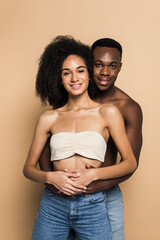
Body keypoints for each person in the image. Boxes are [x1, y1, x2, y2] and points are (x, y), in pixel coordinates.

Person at [23, 36, 137, 240]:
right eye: (67, 73)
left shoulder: (108, 112)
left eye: (80, 71)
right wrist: (50, 177)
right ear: (59, 77)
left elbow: (130, 163)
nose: (74, 78)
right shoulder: (48, 118)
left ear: (89, 74)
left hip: (92, 204)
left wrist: (93, 175)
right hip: (53, 205)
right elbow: (28, 168)